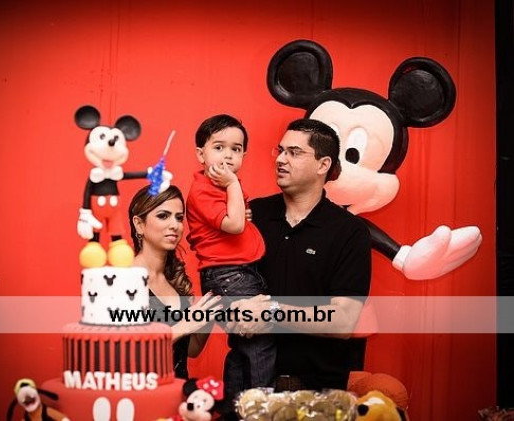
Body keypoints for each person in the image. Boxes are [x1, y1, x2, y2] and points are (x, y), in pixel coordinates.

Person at [229, 118, 372, 392]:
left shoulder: (349, 231)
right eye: (280, 150)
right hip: (246, 385)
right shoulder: (253, 215)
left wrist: (272, 312)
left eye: (294, 153)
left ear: (323, 164)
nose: (281, 159)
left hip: (315, 393)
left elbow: (343, 321)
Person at [186, 115, 276, 406]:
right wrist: (234, 185)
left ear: (243, 156)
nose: (228, 155)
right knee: (260, 341)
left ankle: (234, 410)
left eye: (236, 149)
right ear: (201, 154)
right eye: (219, 147)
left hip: (236, 273)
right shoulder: (202, 189)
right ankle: (261, 410)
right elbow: (235, 225)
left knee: (243, 344)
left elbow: (235, 218)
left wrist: (237, 203)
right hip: (229, 276)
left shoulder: (220, 188)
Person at [128, 185, 222, 379]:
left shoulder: (174, 280)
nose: (175, 225)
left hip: (177, 392)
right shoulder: (123, 280)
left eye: (179, 218)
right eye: (163, 216)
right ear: (139, 224)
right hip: (141, 393)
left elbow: (191, 350)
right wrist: (184, 325)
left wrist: (210, 311)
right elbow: (127, 352)